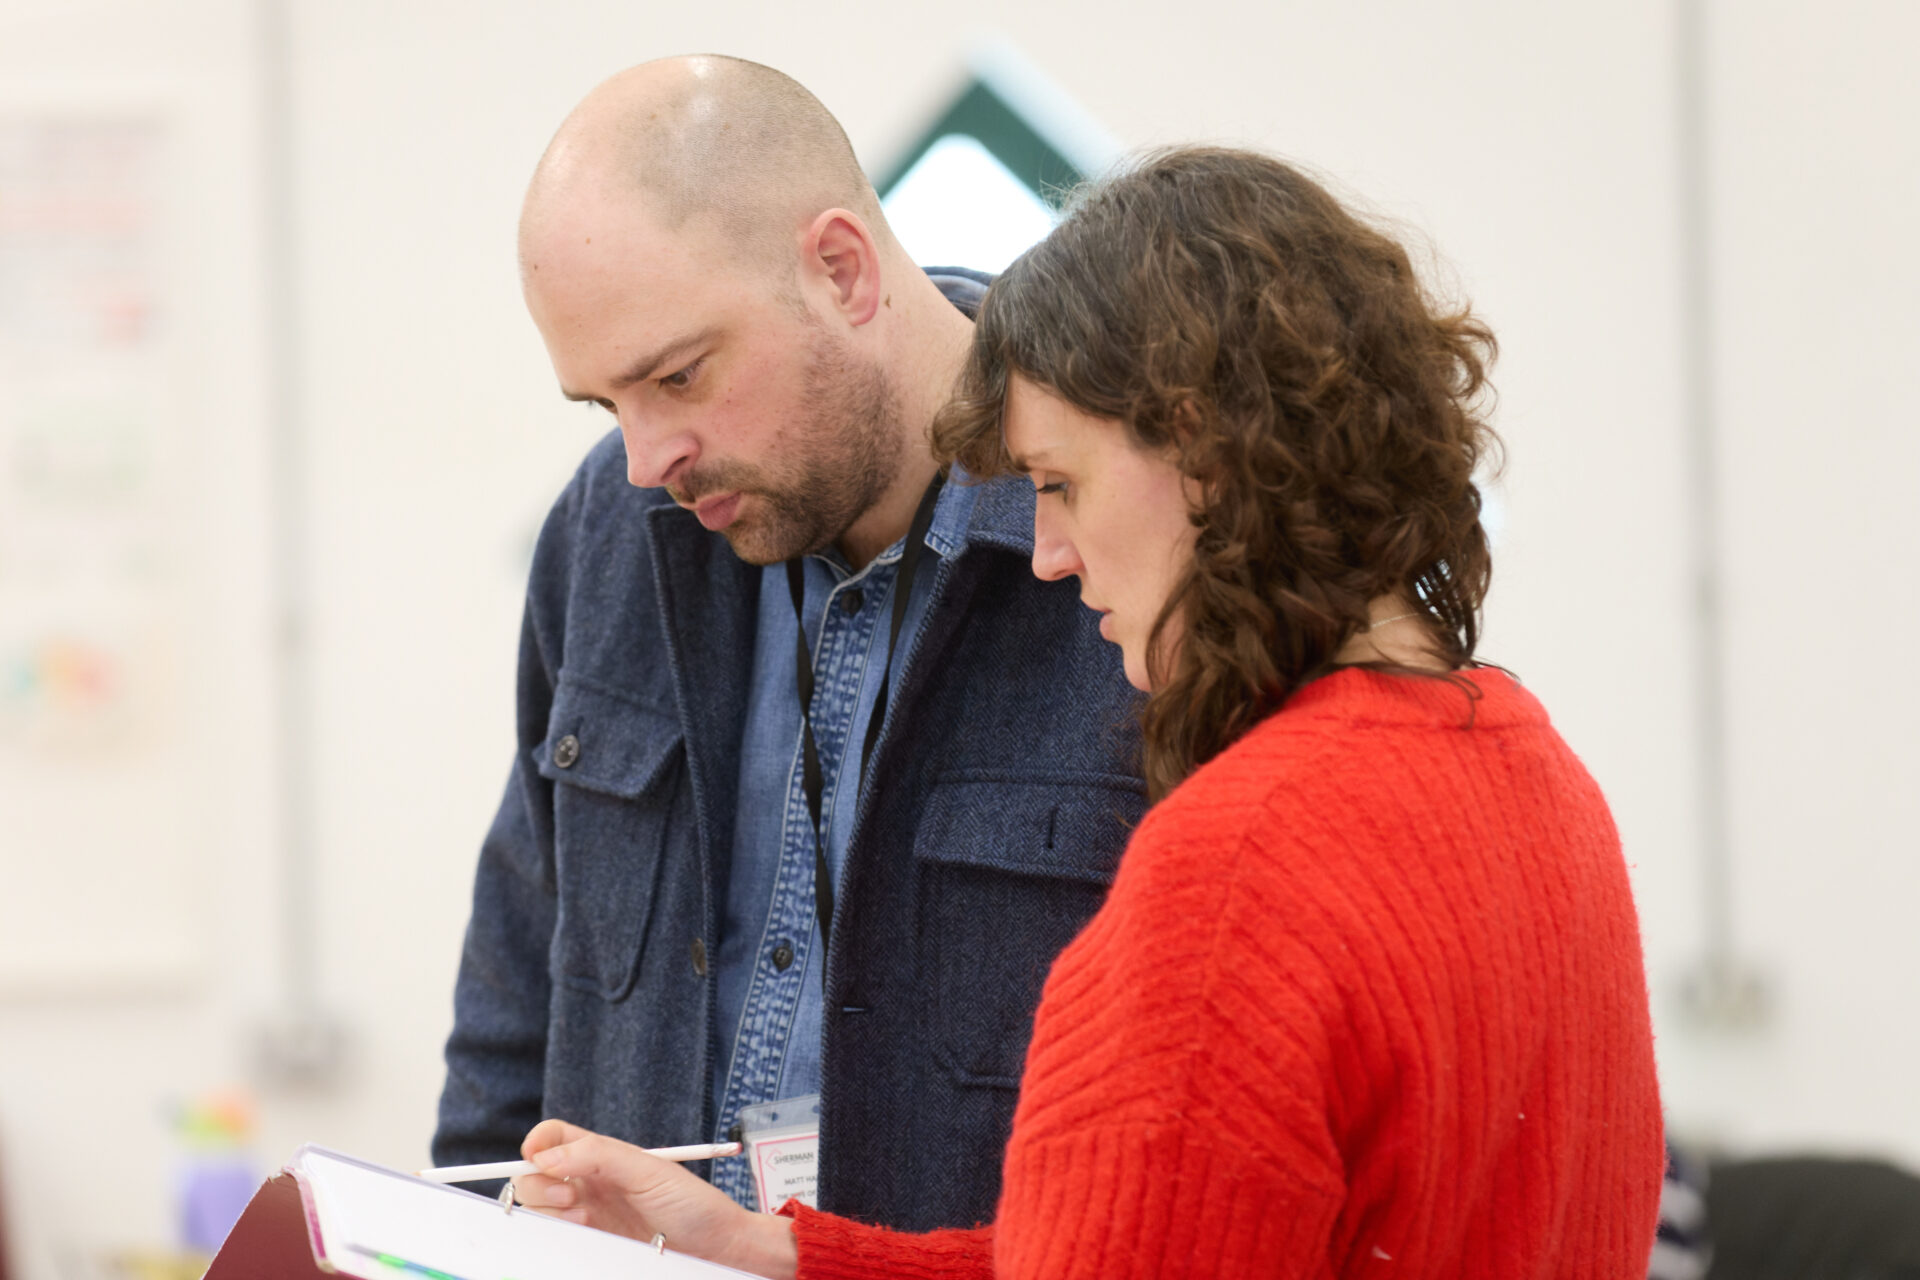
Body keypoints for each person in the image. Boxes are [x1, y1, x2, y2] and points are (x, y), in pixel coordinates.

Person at [505, 146, 1667, 1278]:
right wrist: (774, 1249)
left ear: (1208, 452)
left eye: (1059, 483)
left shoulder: (1234, 870)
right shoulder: (1540, 778)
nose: (1047, 554)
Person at [431, 55, 1148, 1232]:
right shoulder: (613, 532)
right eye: (609, 405)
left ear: (841, 269)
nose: (649, 454)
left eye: (678, 374)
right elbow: (511, 1015)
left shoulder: (1115, 554)